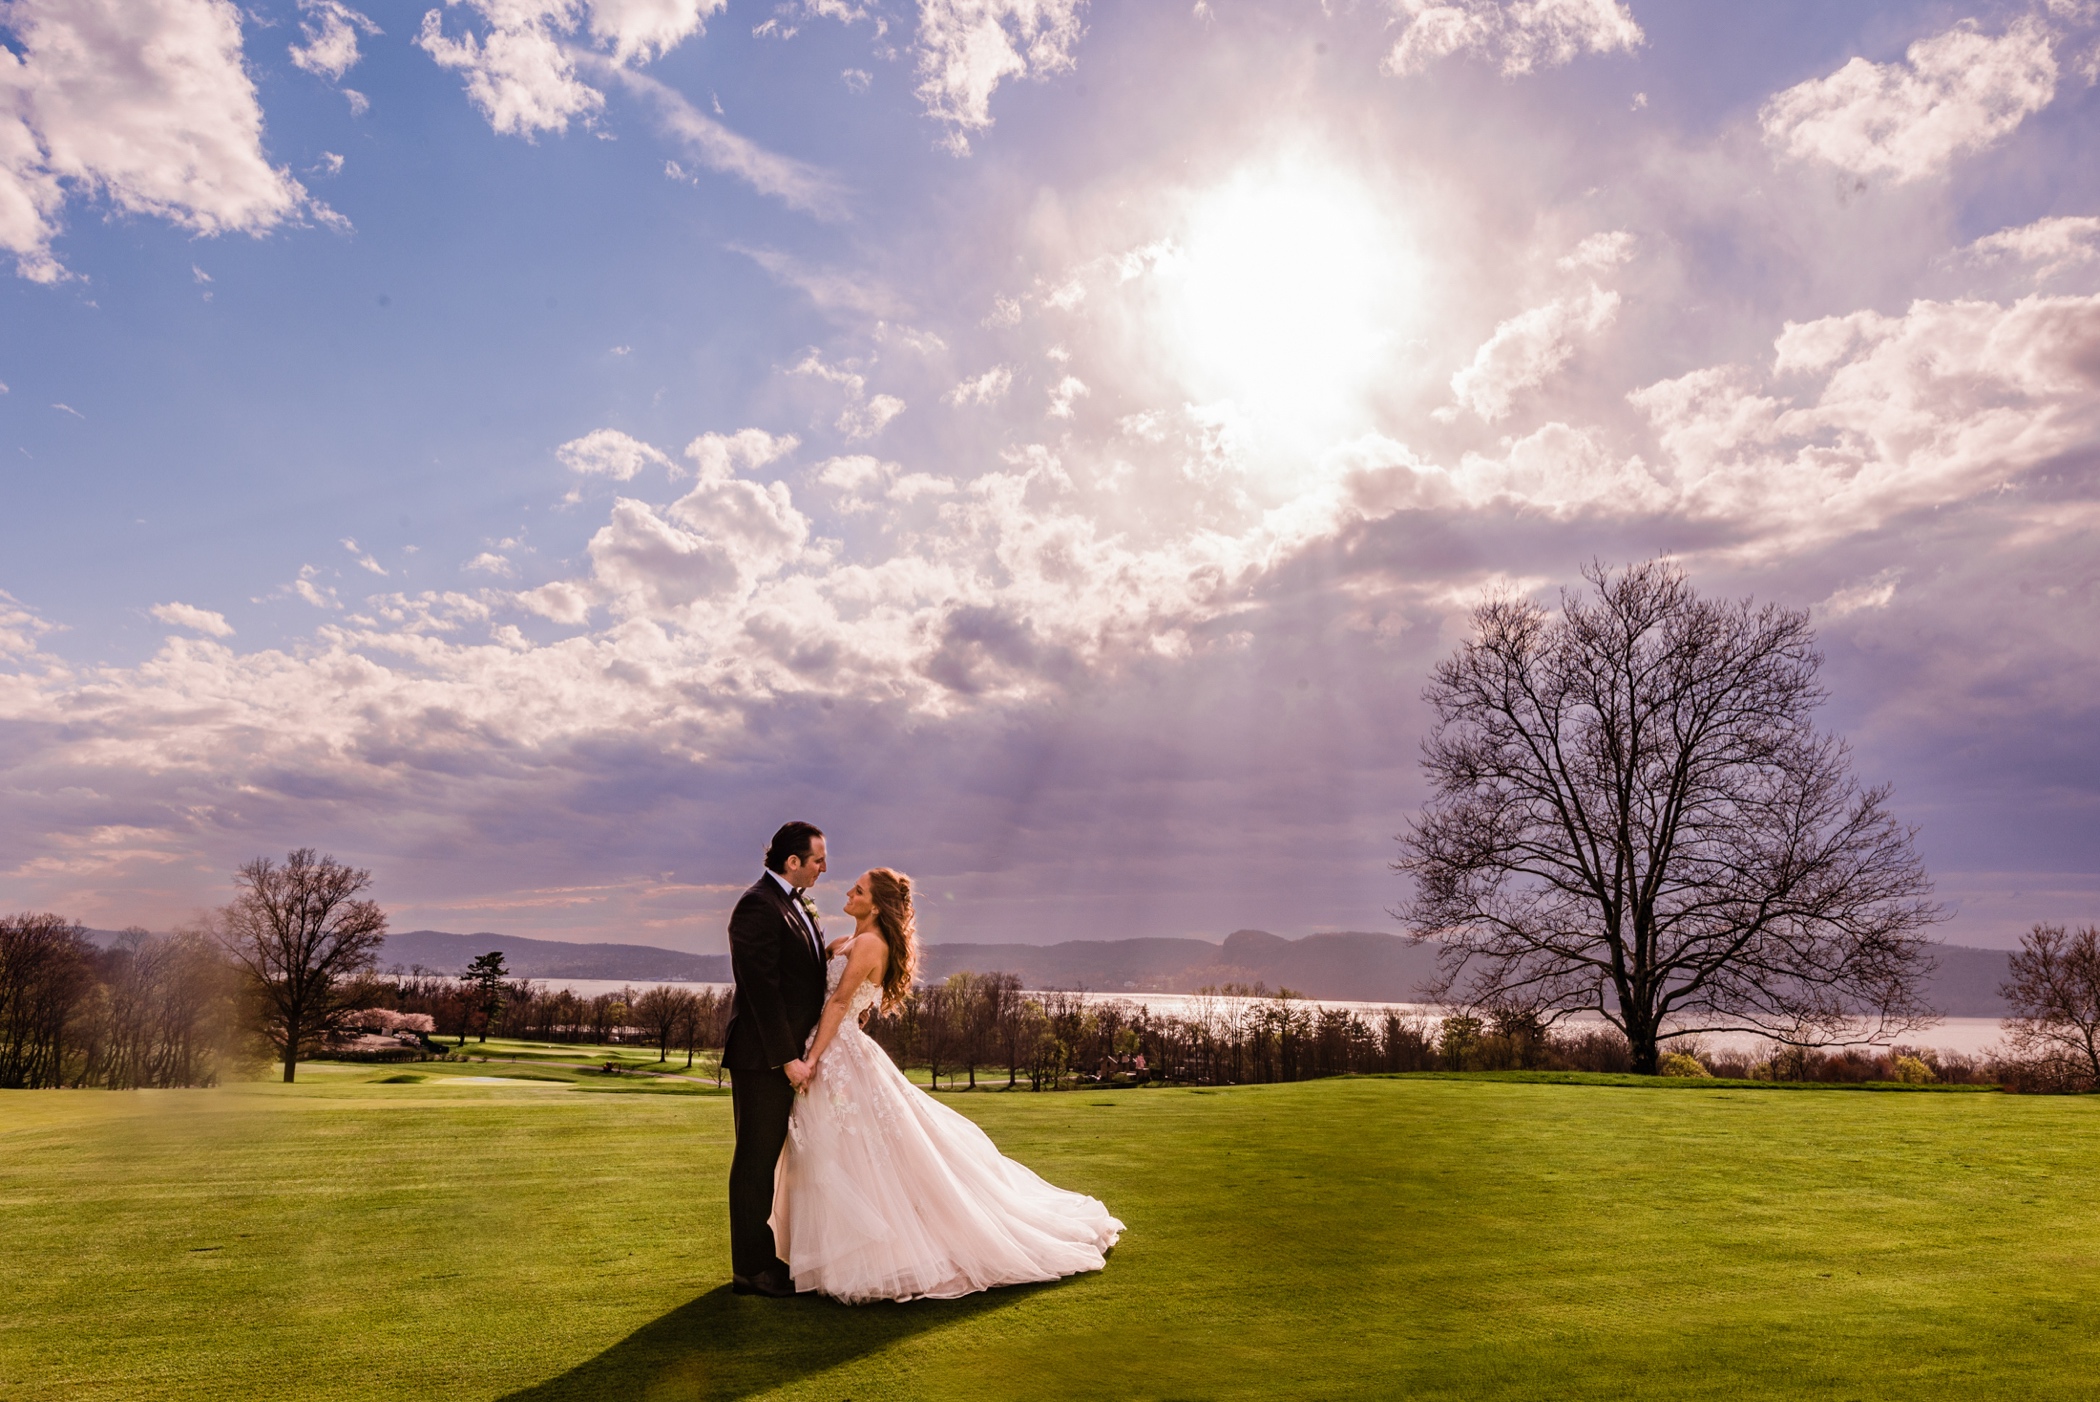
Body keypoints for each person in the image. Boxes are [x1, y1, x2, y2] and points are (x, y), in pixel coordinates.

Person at [769, 866, 1122, 1303]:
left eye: (857, 890)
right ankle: (838, 1251)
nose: (847, 891)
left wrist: (812, 1058)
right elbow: (850, 1003)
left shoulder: (868, 944)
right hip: (842, 1050)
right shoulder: (854, 942)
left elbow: (841, 1002)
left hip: (836, 1055)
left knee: (854, 1148)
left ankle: (875, 1255)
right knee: (844, 1148)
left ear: (875, 905)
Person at [722, 820, 831, 1298]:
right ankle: (751, 1268)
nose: (824, 869)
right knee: (755, 1160)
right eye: (818, 860)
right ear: (793, 862)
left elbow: (798, 976)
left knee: (770, 1158)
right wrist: (787, 1058)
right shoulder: (756, 905)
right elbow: (761, 991)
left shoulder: (794, 904)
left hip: (787, 1054)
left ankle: (767, 1258)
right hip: (762, 1058)